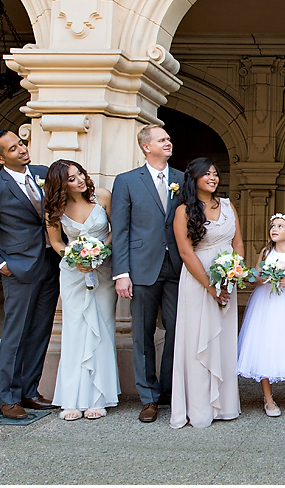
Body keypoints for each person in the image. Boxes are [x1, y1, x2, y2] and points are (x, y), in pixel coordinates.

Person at [0, 130, 59, 418]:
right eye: (12, 149)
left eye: (21, 144)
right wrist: (0, 265)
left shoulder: (44, 173)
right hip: (19, 269)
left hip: (51, 264)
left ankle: (29, 392)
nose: (21, 150)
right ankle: (8, 398)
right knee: (15, 334)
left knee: (41, 330)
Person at [110, 124, 184, 423]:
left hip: (177, 266)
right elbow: (121, 229)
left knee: (178, 330)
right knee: (142, 333)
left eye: (168, 138)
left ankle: (168, 389)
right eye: (162, 140)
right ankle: (148, 397)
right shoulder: (127, 181)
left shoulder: (182, 178)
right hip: (141, 267)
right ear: (146, 146)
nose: (168, 143)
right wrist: (121, 273)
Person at [44, 160, 119, 420]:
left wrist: (101, 252)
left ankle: (99, 396)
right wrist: (75, 257)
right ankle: (72, 398)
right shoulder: (54, 209)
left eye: (80, 175)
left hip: (103, 269)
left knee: (102, 325)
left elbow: (116, 231)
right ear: (60, 185)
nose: (80, 181)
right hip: (73, 273)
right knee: (74, 329)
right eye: (72, 179)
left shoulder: (104, 196)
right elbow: (56, 242)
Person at [170, 158, 242, 429]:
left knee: (222, 339)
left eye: (215, 174)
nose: (212, 178)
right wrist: (211, 287)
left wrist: (232, 274)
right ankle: (200, 407)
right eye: (206, 174)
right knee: (198, 339)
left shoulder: (227, 205)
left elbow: (238, 243)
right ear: (194, 179)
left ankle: (224, 405)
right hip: (199, 281)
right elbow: (186, 253)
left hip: (227, 279)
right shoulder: (184, 211)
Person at [237, 213, 285, 418]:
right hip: (265, 305)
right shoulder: (266, 253)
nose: (274, 229)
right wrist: (259, 276)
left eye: (280, 226)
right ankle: (268, 398)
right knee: (265, 345)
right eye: (273, 226)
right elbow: (255, 278)